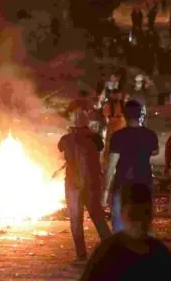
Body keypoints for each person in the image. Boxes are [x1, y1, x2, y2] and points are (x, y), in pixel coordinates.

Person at [81, 183, 171, 281]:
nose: (139, 222)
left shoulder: (106, 251)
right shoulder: (106, 253)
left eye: (143, 213)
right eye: (134, 214)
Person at [58, 110, 111, 262]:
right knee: (98, 217)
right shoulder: (96, 138)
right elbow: (99, 148)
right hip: (91, 183)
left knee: (76, 220)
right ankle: (111, 249)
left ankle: (81, 255)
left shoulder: (65, 139)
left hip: (73, 184)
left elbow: (60, 149)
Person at [103, 100, 159, 232]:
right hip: (144, 185)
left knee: (119, 227)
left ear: (124, 116)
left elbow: (111, 166)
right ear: (141, 115)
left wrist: (105, 191)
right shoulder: (150, 135)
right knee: (143, 227)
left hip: (123, 186)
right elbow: (155, 151)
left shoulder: (118, 136)